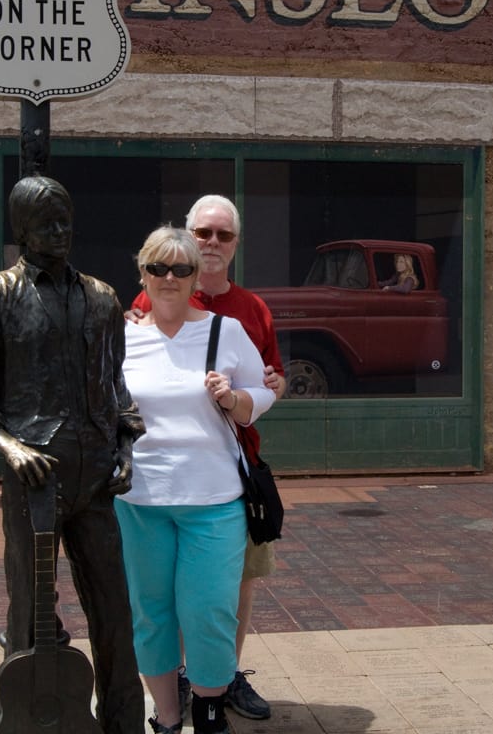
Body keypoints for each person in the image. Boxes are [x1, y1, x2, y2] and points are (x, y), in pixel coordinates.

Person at [0, 175, 145, 734]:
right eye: (45, 224)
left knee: (115, 612)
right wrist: (7, 444)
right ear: (22, 231)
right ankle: (26, 719)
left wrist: (126, 448)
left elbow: (114, 386)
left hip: (96, 477)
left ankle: (124, 722)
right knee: (29, 610)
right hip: (35, 480)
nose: (59, 233)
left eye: (65, 221)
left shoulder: (103, 298)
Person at [131, 194, 286, 720]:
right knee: (153, 615)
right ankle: (167, 717)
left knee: (211, 611)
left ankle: (213, 705)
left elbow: (265, 388)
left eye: (179, 269)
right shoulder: (124, 332)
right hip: (142, 499)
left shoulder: (234, 324)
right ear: (144, 273)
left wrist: (235, 399)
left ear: (195, 274)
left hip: (217, 493)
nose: (168, 277)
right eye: (158, 268)